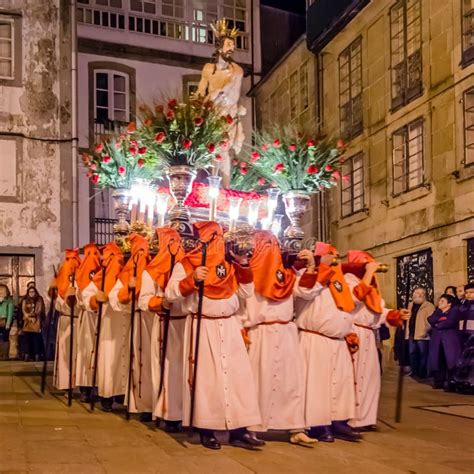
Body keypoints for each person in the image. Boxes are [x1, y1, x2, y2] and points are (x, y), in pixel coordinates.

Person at [165, 221, 263, 450]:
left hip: (228, 327)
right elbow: (170, 293)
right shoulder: (188, 263)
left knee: (237, 380)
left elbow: (246, 292)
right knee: (207, 381)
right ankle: (205, 429)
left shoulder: (229, 265)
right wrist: (192, 279)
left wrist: (243, 264)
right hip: (203, 325)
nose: (219, 241)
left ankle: (239, 429)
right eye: (213, 237)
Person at [241, 231, 317, 446]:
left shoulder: (287, 274)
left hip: (286, 334)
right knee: (258, 382)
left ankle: (296, 428)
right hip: (260, 333)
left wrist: (310, 266)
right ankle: (252, 427)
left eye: (273, 244)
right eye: (265, 245)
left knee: (290, 382)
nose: (270, 249)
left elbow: (306, 291)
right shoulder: (249, 274)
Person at [294, 242, 360, 443]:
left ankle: (338, 420)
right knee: (317, 384)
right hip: (315, 338)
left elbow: (354, 301)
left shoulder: (340, 280)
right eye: (332, 254)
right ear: (320, 256)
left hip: (337, 341)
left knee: (340, 384)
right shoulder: (306, 273)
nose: (336, 258)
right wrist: (316, 268)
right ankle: (316, 423)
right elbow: (306, 292)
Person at [342, 250, 410, 431]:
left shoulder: (371, 286)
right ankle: (349, 419)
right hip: (353, 331)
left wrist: (396, 314)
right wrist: (369, 273)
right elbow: (354, 298)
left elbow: (380, 311)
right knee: (354, 378)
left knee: (370, 378)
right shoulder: (348, 279)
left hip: (369, 335)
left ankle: (364, 418)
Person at [139, 227, 186, 432]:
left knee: (186, 370)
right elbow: (143, 300)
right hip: (166, 324)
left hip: (187, 325)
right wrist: (161, 303)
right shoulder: (150, 272)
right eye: (170, 243)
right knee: (168, 369)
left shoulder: (188, 267)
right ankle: (169, 413)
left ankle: (187, 411)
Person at [195, 19, 245, 187]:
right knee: (211, 151)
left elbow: (234, 96)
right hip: (211, 112)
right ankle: (211, 186)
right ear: (220, 47)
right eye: (229, 44)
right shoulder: (209, 68)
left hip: (228, 114)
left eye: (233, 45)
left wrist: (221, 94)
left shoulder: (237, 71)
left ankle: (224, 187)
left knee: (224, 151)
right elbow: (201, 91)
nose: (232, 48)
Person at [109, 233, 153, 420]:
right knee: (137, 363)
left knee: (153, 363)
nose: (141, 254)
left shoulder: (153, 268)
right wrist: (129, 289)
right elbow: (114, 297)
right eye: (138, 251)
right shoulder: (126, 273)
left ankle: (153, 404)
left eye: (145, 250)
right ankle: (141, 404)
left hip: (152, 321)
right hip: (135, 320)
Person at [82, 242, 128, 412]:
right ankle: (107, 396)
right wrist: (96, 299)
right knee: (109, 360)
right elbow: (86, 296)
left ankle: (123, 394)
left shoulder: (126, 274)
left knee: (124, 359)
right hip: (108, 324)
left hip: (126, 323)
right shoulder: (100, 278)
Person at [50, 249, 81, 391]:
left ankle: (81, 385)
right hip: (65, 320)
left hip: (79, 321)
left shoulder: (81, 278)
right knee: (65, 353)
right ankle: (66, 384)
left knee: (79, 353)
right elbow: (57, 302)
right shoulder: (61, 278)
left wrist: (75, 297)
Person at [74, 243, 101, 403]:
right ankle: (86, 388)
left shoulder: (103, 273)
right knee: (86, 352)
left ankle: (97, 386)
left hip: (101, 319)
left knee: (99, 353)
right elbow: (80, 300)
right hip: (87, 320)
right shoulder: (79, 276)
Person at [427, 294, 462, 390]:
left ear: (449, 304)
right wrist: (440, 320)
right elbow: (430, 319)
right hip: (437, 340)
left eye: (442, 301)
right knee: (438, 360)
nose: (439, 303)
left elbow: (450, 322)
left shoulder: (454, 311)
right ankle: (439, 382)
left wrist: (438, 323)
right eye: (439, 301)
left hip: (449, 340)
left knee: (450, 361)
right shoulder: (437, 311)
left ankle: (451, 383)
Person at [404, 288, 435, 378]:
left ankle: (422, 373)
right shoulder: (410, 305)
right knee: (412, 353)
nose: (420, 295)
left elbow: (430, 321)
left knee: (423, 354)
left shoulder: (429, 306)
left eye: (422, 293)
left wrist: (426, 331)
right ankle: (414, 371)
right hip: (412, 334)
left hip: (422, 334)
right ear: (413, 294)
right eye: (418, 293)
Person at [21, 286, 45, 361]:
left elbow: (40, 309)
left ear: (35, 292)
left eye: (33, 292)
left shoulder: (39, 299)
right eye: (30, 292)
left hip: (36, 320)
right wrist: (28, 316)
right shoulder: (25, 300)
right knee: (27, 339)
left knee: (36, 339)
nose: (31, 293)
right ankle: (27, 355)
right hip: (27, 321)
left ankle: (37, 355)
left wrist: (33, 315)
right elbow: (23, 310)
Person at [0, 284, 14, 360]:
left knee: (5, 337)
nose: (1, 291)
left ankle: (5, 355)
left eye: (2, 290)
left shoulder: (9, 300)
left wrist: (8, 323)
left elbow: (10, 313)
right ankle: (0, 354)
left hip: (5, 321)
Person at [459, 283, 474, 347]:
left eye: (471, 292)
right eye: (466, 292)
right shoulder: (462, 306)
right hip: (463, 335)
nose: (468, 295)